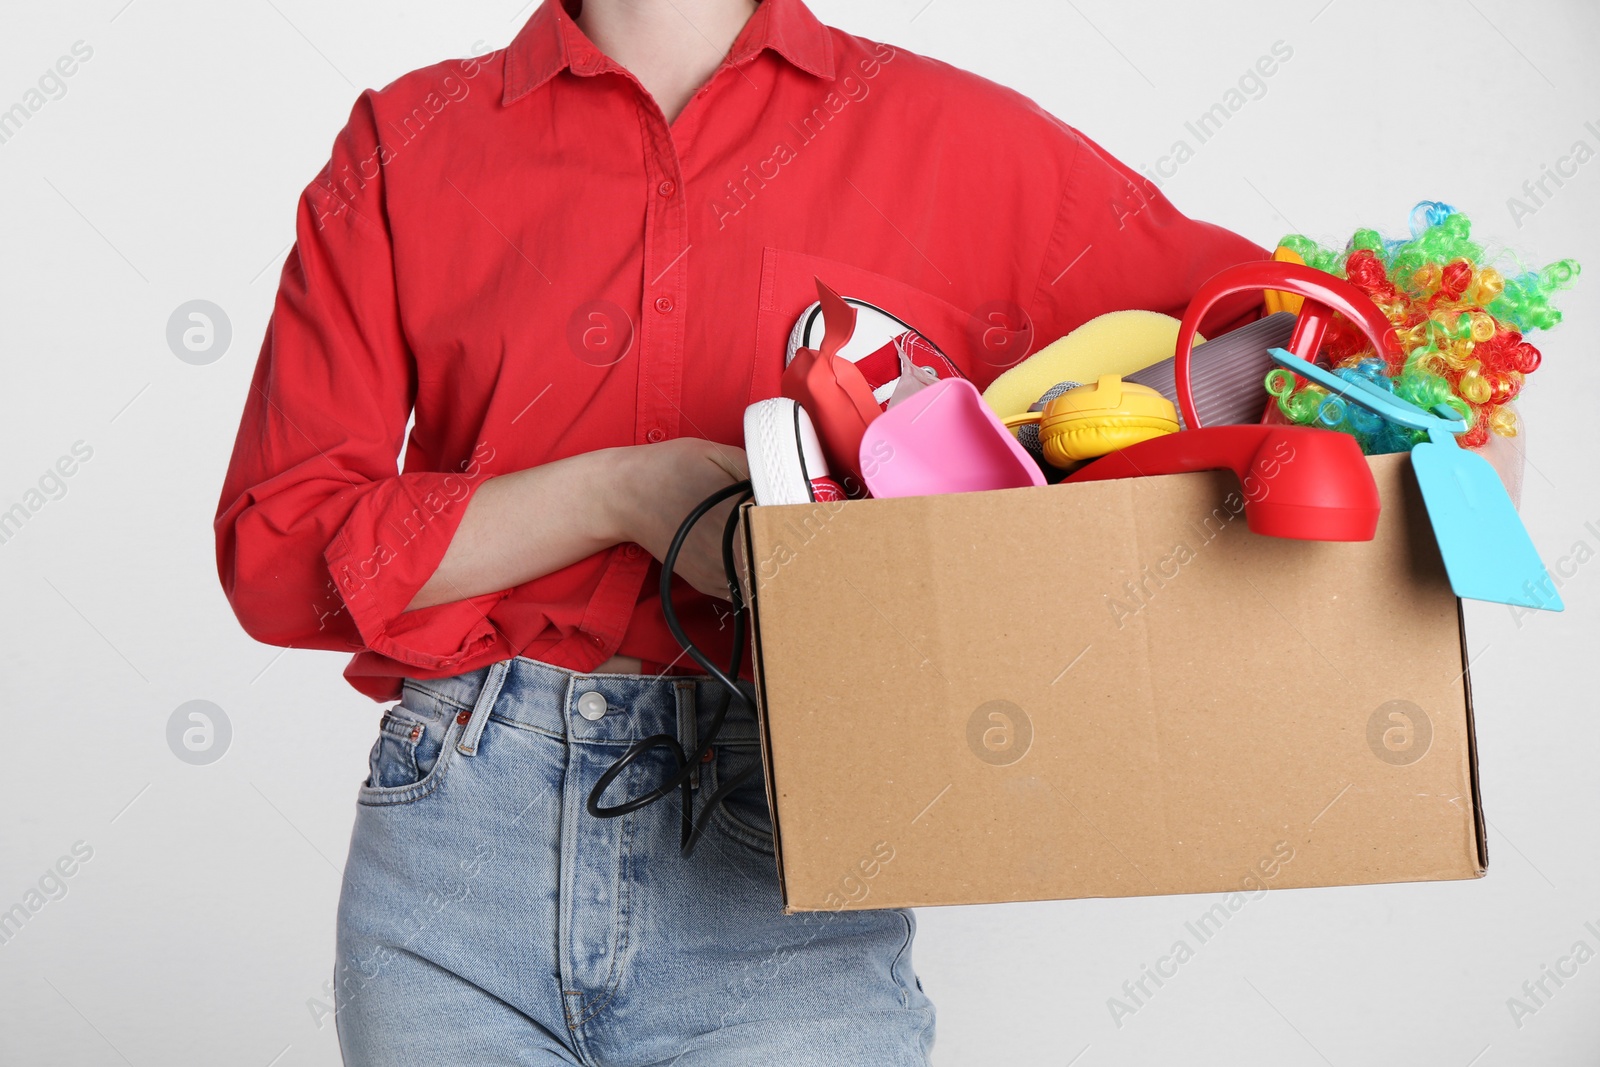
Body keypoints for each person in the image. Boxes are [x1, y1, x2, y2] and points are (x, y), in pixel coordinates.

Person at [213, 0, 1266, 1062]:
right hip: (458, 858)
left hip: (787, 848)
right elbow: (277, 556)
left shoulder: (959, 139)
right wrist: (622, 495)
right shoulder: (409, 141)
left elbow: (1286, 342)